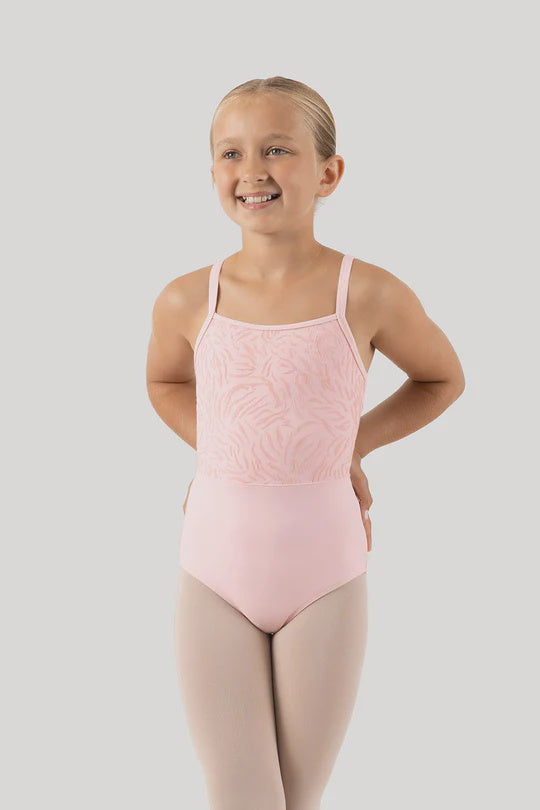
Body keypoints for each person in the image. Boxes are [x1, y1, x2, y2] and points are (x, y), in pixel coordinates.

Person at [146, 76, 465, 810]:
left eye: (277, 150)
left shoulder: (368, 292)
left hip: (325, 574)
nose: (251, 171)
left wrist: (352, 443)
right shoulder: (188, 297)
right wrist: (221, 448)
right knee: (242, 795)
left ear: (328, 173)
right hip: (214, 568)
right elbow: (165, 382)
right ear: (212, 170)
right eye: (231, 153)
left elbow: (441, 378)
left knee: (298, 797)